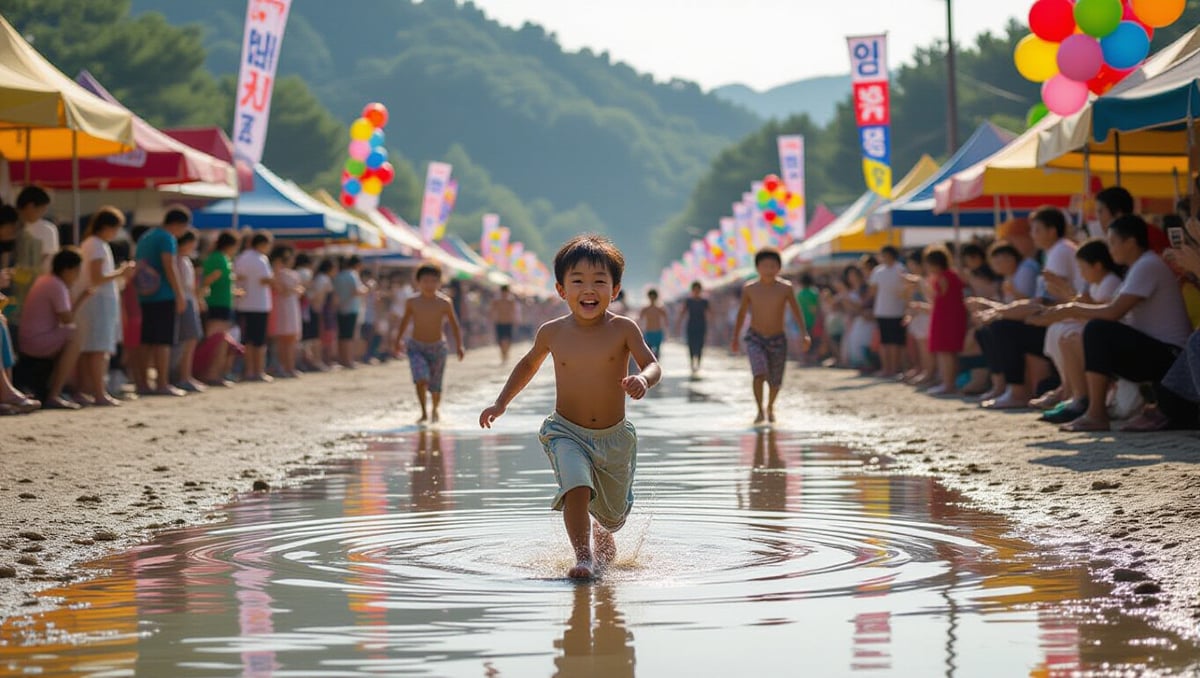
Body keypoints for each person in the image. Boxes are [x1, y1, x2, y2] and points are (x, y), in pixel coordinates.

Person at [478, 235, 661, 579]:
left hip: (613, 437)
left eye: (599, 282)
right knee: (576, 487)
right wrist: (501, 402)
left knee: (612, 517)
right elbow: (528, 365)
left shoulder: (624, 328)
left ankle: (601, 530)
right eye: (577, 281)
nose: (588, 290)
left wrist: (643, 380)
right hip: (566, 431)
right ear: (561, 290)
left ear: (615, 289)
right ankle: (583, 557)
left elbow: (652, 363)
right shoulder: (552, 332)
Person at [1031, 215, 1194, 432]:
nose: (1111, 249)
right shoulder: (1138, 267)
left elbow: (1113, 312)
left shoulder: (1148, 264)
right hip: (1159, 352)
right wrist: (1066, 305)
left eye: (1114, 242)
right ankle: (1084, 401)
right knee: (1087, 331)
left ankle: (1095, 412)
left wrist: (1070, 309)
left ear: (1131, 241)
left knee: (1097, 330)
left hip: (1172, 358)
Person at [1034, 239, 1124, 424]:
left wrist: (1063, 289)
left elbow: (1094, 312)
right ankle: (1077, 396)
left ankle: (1085, 398)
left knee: (1072, 338)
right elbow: (1080, 305)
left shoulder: (1110, 282)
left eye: (1082, 268)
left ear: (1097, 266)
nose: (1081, 274)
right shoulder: (1095, 283)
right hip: (1096, 333)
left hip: (1108, 339)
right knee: (1066, 339)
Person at [731, 247, 811, 424]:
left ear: (779, 268)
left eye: (773, 265)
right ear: (757, 267)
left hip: (778, 338)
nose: (769, 269)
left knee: (775, 381)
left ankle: (770, 406)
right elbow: (742, 314)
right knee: (758, 373)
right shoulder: (750, 288)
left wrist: (804, 333)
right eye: (764, 265)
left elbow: (797, 311)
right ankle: (759, 410)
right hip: (755, 337)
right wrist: (735, 338)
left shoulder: (785, 288)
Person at [74, 207, 134, 406]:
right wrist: (121, 272)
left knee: (90, 349)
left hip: (96, 302)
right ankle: (99, 393)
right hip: (98, 303)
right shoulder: (97, 245)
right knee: (99, 349)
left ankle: (86, 391)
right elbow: (97, 277)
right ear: (107, 227)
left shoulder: (92, 243)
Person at [394, 262, 465, 424]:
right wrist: (398, 341)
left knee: (435, 385)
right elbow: (404, 321)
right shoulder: (412, 301)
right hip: (416, 347)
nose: (429, 285)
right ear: (418, 282)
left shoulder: (444, 302)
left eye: (433, 281)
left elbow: (455, 325)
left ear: (439, 282)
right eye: (425, 281)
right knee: (421, 379)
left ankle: (435, 409)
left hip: (438, 347)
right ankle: (423, 412)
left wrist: (460, 345)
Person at [17, 248, 89, 408]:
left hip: (30, 340)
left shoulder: (46, 280)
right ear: (68, 269)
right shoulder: (56, 285)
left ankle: (67, 389)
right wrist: (81, 299)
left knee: (74, 333)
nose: (77, 277)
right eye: (77, 271)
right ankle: (55, 394)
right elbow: (68, 319)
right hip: (36, 342)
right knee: (75, 336)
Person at [136, 207, 190, 397]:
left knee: (147, 341)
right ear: (178, 224)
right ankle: (162, 383)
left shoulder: (146, 237)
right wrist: (179, 294)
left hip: (146, 294)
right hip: (164, 295)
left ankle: (141, 382)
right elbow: (169, 265)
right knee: (163, 342)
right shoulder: (167, 238)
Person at [924, 245, 967, 396]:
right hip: (951, 316)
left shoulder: (943, 277)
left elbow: (935, 297)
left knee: (944, 351)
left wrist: (921, 285)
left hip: (945, 317)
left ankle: (947, 384)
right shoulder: (952, 275)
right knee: (948, 352)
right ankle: (949, 383)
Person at [234, 232, 275, 382]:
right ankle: (258, 370)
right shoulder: (261, 259)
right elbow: (266, 279)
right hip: (259, 304)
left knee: (247, 340)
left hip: (243, 303)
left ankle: (249, 370)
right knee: (258, 341)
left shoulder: (241, 257)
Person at [174, 229, 206, 393]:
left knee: (191, 339)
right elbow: (186, 286)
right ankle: (184, 376)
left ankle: (186, 375)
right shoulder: (179, 260)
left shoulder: (184, 260)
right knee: (189, 339)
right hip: (185, 302)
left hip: (189, 301)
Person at [868, 245, 907, 378]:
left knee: (895, 342)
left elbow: (905, 291)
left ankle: (894, 369)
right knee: (885, 342)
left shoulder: (901, 269)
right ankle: (887, 368)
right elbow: (873, 291)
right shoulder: (878, 271)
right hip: (882, 310)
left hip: (897, 310)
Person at [269, 244, 303, 378]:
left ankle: (289, 366)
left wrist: (293, 290)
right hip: (282, 309)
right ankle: (284, 367)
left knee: (290, 339)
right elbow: (283, 290)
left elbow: (297, 291)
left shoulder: (293, 274)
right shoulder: (278, 274)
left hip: (290, 308)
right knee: (283, 339)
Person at [333, 255, 367, 369]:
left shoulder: (339, 276)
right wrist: (367, 288)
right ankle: (348, 360)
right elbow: (357, 291)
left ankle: (343, 359)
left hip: (340, 308)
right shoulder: (353, 275)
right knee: (349, 336)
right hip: (351, 308)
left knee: (342, 336)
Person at [16, 186, 56, 272]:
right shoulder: (11, 225)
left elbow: (49, 259)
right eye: (43, 209)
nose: (43, 214)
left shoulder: (48, 229)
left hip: (36, 279)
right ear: (31, 206)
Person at [675, 281, 712, 373]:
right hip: (691, 325)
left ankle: (698, 364)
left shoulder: (704, 301)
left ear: (700, 290)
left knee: (700, 345)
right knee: (691, 344)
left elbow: (710, 313)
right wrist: (678, 324)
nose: (696, 291)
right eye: (695, 289)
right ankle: (692, 363)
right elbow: (682, 313)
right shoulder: (689, 301)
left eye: (698, 289)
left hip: (701, 325)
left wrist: (712, 326)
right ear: (692, 290)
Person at [491, 284, 518, 362]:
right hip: (499, 322)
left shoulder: (511, 301)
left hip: (508, 322)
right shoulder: (497, 301)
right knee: (500, 340)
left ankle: (506, 353)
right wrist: (492, 319)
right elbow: (492, 311)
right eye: (503, 292)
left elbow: (514, 312)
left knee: (508, 339)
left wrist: (515, 320)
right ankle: (503, 353)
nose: (505, 293)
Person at [638, 289, 668, 358]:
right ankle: (651, 365)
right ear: (649, 297)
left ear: (656, 297)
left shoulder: (660, 308)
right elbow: (639, 320)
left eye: (653, 297)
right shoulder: (645, 308)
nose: (652, 299)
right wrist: (640, 330)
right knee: (649, 351)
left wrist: (666, 331)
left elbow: (666, 320)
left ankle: (656, 365)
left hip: (658, 332)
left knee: (657, 351)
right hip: (648, 332)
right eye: (651, 297)